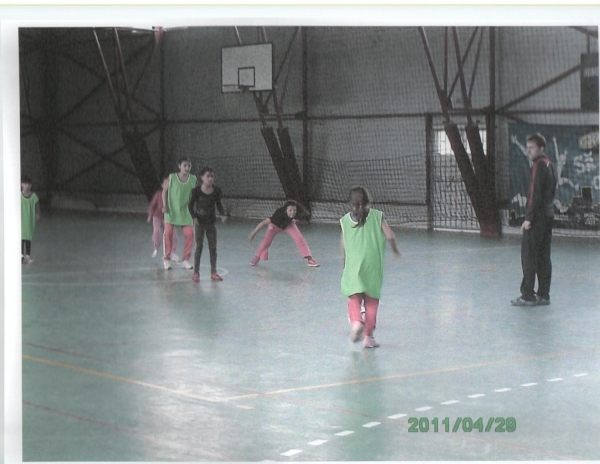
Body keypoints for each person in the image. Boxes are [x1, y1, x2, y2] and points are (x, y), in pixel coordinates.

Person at [340, 186, 400, 348]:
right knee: (371, 301)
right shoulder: (377, 216)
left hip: (354, 267)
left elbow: (343, 245)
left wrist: (344, 262)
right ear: (368, 201)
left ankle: (356, 322)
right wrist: (395, 250)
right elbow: (390, 236)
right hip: (373, 267)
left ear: (350, 203)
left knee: (354, 298)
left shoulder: (345, 221)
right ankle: (368, 337)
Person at [511, 133, 557, 307]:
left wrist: (528, 219)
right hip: (548, 216)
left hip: (537, 218)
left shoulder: (538, 165)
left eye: (532, 148)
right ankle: (543, 294)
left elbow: (534, 195)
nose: (528, 151)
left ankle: (527, 295)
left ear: (541, 148)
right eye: (528, 147)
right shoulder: (550, 164)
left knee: (529, 256)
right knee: (544, 256)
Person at [248, 200, 319, 267]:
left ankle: (310, 259)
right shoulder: (277, 215)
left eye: (294, 210)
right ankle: (257, 257)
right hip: (275, 225)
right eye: (290, 210)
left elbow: (305, 215)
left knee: (299, 239)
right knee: (266, 242)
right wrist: (253, 233)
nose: (292, 212)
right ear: (285, 210)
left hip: (288, 224)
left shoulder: (298, 213)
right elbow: (263, 223)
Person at [188, 167, 228, 282]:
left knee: (213, 247)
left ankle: (213, 272)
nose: (210, 179)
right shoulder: (196, 191)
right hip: (199, 223)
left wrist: (222, 214)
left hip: (211, 223)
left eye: (212, 176)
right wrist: (194, 217)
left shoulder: (216, 191)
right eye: (208, 176)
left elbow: (218, 204)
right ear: (202, 177)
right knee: (199, 247)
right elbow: (190, 205)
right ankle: (196, 273)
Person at [162, 157, 197, 270]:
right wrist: (165, 205)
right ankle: (167, 259)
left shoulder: (193, 179)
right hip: (171, 211)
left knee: (190, 234)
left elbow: (194, 194)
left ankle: (186, 260)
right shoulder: (172, 177)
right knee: (168, 234)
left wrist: (192, 203)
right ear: (179, 166)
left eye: (189, 166)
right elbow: (164, 191)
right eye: (184, 165)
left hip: (185, 212)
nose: (187, 168)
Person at [147, 175, 179, 260]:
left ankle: (172, 252)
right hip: (157, 216)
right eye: (166, 183)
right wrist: (150, 215)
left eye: (169, 183)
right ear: (162, 185)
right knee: (157, 231)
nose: (167, 184)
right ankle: (156, 247)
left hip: (168, 218)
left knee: (173, 234)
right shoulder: (158, 194)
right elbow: (152, 205)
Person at [21, 175, 40, 265]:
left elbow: (37, 205)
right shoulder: (19, 196)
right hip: (21, 221)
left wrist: (37, 214)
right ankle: (21, 256)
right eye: (25, 184)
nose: (27, 186)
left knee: (28, 238)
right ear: (21, 184)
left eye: (29, 184)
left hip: (29, 221)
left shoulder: (34, 196)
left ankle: (28, 255)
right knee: (21, 239)